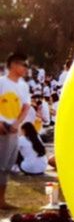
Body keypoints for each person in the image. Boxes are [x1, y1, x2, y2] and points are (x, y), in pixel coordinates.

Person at [0, 53, 31, 209]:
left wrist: (17, 124)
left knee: (6, 166)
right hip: (1, 128)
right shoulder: (1, 82)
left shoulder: (23, 86)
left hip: (12, 130)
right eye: (23, 65)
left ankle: (1, 199)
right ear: (13, 65)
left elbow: (26, 106)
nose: (26, 68)